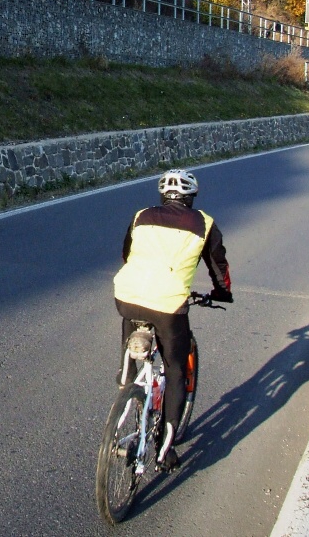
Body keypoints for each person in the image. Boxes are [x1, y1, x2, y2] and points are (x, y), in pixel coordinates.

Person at [112, 168, 232, 472]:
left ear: (163, 195)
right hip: (167, 305)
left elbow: (128, 253)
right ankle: (165, 449)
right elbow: (218, 266)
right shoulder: (204, 223)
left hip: (127, 294)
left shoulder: (141, 215)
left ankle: (127, 375)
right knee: (177, 370)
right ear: (191, 196)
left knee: (132, 325)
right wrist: (222, 292)